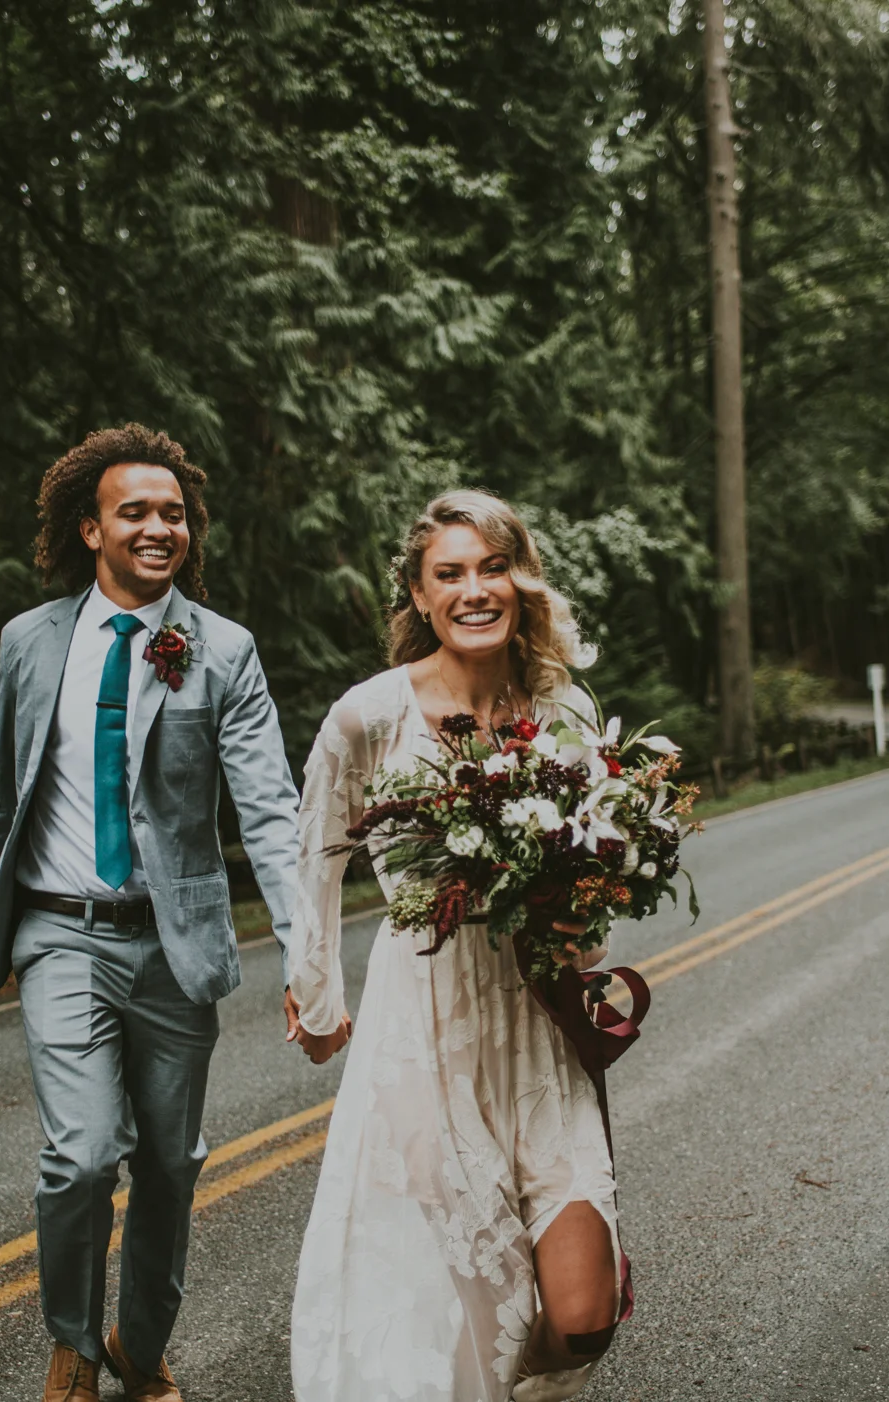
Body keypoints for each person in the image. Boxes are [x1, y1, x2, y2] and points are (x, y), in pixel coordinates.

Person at [0, 424, 300, 1402]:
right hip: (59, 932)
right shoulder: (30, 641)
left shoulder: (221, 651)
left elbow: (268, 807)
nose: (158, 527)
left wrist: (306, 948)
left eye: (173, 513)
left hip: (175, 946)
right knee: (82, 1155)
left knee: (171, 1165)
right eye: (135, 511)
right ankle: (71, 1343)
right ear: (90, 528)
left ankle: (140, 1348)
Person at [285, 489, 626, 1402]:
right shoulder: (370, 715)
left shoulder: (562, 714)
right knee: (459, 1320)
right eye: (451, 574)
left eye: (492, 568)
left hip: (539, 1026)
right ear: (420, 595)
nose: (475, 590)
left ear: (521, 583)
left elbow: (595, 899)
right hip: (423, 1034)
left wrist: (579, 924)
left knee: (584, 1316)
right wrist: (318, 996)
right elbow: (314, 851)